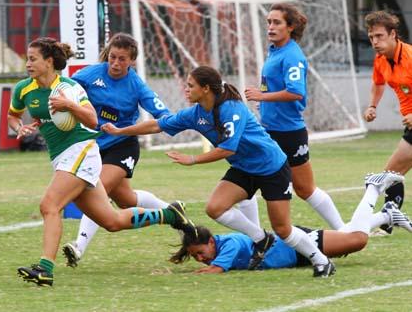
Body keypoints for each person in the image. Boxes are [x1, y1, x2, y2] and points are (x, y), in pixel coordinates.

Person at [101, 65, 335, 277]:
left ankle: (321, 261)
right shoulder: (195, 114)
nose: (186, 89)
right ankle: (261, 239)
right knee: (214, 208)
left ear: (205, 89)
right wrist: (122, 132)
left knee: (283, 228)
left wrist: (193, 159)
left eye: (190, 85)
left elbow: (227, 149)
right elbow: (157, 124)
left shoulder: (231, 109)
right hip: (244, 168)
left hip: (272, 167)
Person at [7, 37, 197, 287]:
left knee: (49, 205)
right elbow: (13, 115)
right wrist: (19, 126)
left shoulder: (68, 88)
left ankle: (46, 268)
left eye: (33, 59)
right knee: (112, 220)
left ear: (49, 61)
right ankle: (168, 215)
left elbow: (90, 117)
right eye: (112, 57)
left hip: (84, 150)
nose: (28, 63)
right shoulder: (24, 88)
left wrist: (69, 105)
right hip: (68, 154)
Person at [60, 33, 173, 267]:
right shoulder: (90, 74)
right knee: (126, 200)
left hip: (123, 146)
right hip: (92, 146)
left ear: (132, 61)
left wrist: (127, 130)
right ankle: (175, 215)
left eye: (122, 59)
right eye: (112, 57)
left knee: (95, 187)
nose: (115, 63)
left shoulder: (137, 86)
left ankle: (79, 246)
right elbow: (64, 91)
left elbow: (165, 117)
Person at [171, 171, 411, 274]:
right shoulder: (222, 246)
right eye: (195, 257)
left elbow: (216, 270)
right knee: (350, 234)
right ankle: (387, 215)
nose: (200, 258)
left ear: (211, 241)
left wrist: (195, 273)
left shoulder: (229, 243)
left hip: (299, 245)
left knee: (356, 240)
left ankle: (373, 187)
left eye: (200, 253)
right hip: (298, 254)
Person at [244, 3, 344, 231]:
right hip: (268, 129)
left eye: (277, 22)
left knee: (305, 189)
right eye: (269, 22)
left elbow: (296, 92)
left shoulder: (292, 56)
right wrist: (262, 102)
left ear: (290, 27)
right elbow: (271, 85)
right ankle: (258, 239)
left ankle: (345, 232)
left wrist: (262, 96)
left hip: (288, 133)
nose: (270, 26)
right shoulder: (275, 51)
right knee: (246, 180)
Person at [363, 10, 412, 234]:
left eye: (380, 36)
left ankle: (386, 223)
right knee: (391, 174)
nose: (375, 42)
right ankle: (387, 224)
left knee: (391, 175)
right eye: (372, 37)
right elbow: (378, 82)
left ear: (393, 34)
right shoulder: (381, 60)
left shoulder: (410, 57)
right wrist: (373, 105)